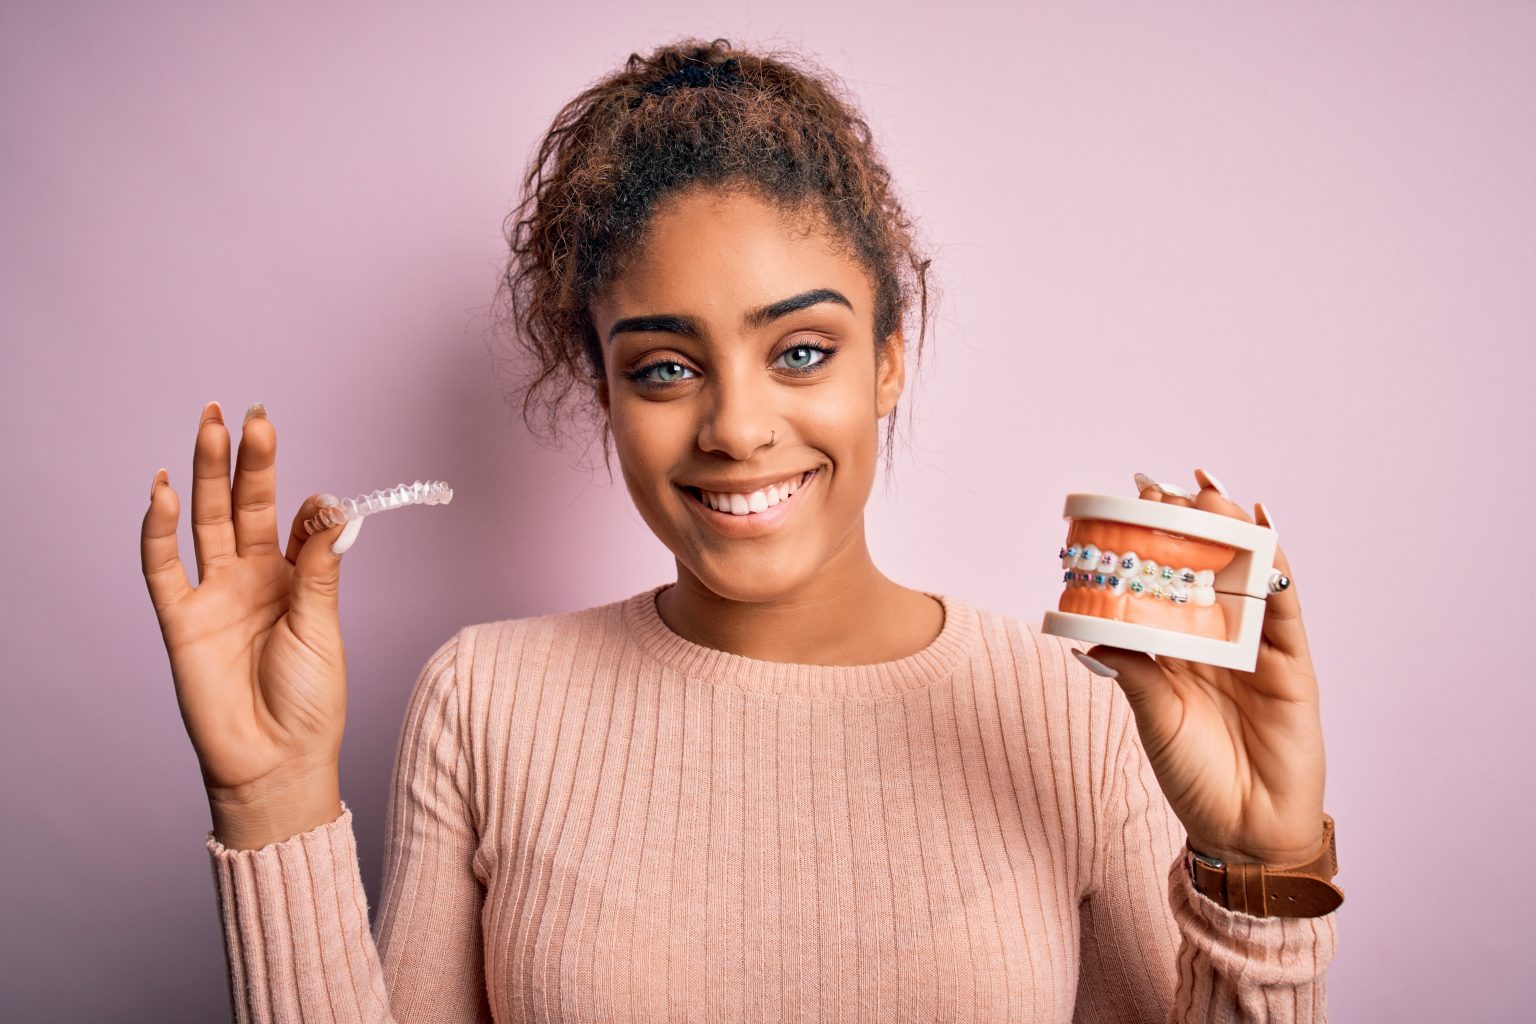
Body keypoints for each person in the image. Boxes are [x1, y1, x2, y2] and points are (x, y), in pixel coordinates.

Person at [140, 37, 1339, 1023]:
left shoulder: (1078, 714)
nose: (737, 425)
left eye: (802, 350)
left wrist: (1258, 879)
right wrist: (276, 798)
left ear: (890, 362)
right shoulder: (486, 702)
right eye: (665, 366)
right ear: (605, 395)